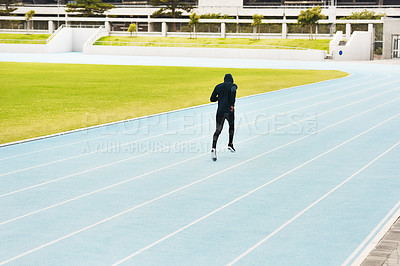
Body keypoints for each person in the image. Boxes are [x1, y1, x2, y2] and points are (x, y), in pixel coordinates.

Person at [210, 73, 237, 161]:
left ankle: (213, 148)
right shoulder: (233, 85)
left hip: (220, 111)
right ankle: (230, 143)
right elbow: (233, 91)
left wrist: (220, 98)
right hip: (229, 111)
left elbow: (212, 99)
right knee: (231, 127)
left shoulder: (218, 86)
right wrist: (232, 104)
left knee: (218, 130)